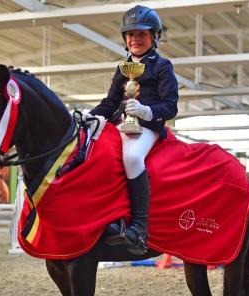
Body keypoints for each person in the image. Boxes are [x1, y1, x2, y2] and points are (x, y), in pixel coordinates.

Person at [84, 5, 178, 255]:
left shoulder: (162, 66)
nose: (135, 39)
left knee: (132, 157)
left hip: (148, 127)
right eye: (130, 34)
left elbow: (171, 106)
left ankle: (140, 228)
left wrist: (146, 111)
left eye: (141, 34)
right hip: (120, 125)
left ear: (154, 36)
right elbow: (110, 102)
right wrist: (90, 116)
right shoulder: (123, 68)